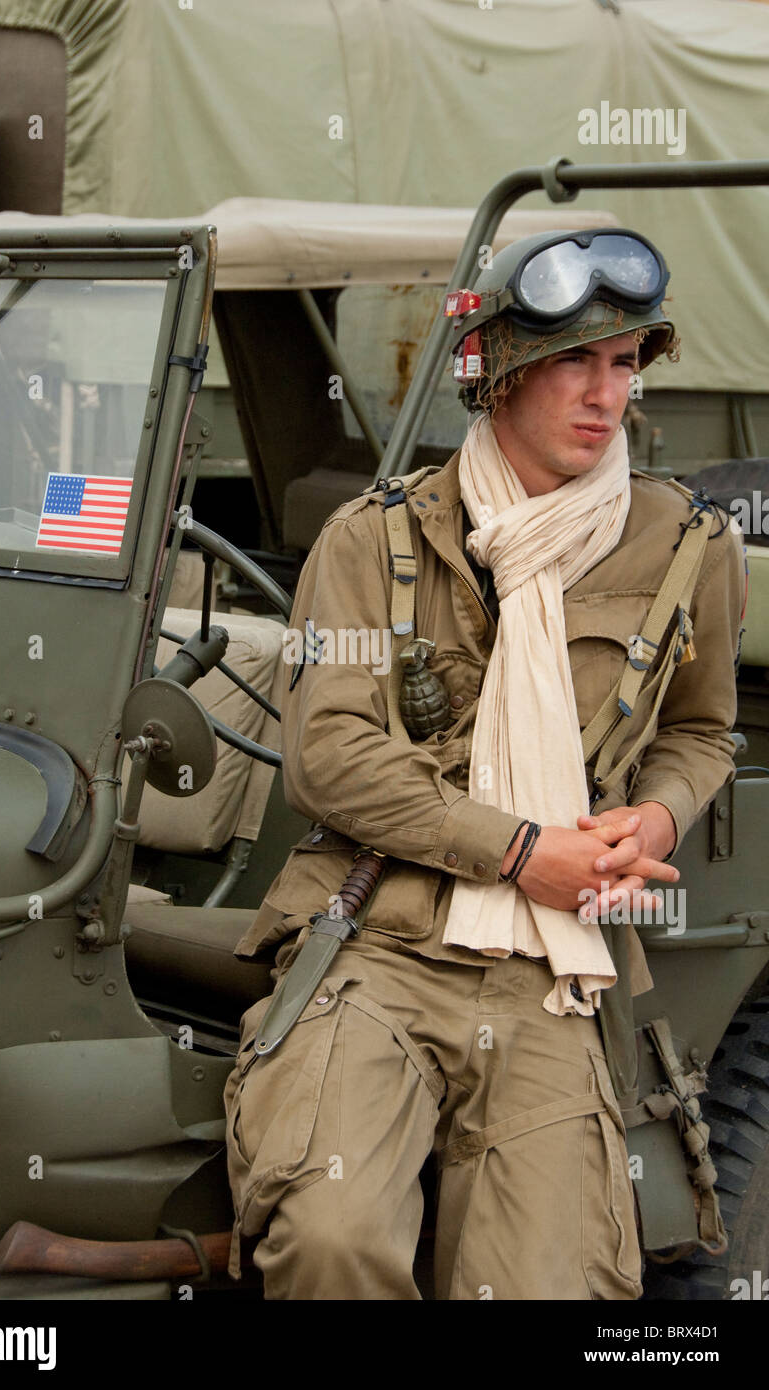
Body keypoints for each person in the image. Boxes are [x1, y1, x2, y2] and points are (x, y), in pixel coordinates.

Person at [223, 227, 747, 1300]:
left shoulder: (686, 545)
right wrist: (518, 851)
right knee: (330, 1235)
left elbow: (702, 732)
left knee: (550, 1284)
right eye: (573, 362)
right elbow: (327, 756)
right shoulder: (374, 541)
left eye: (625, 362)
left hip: (551, 975)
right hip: (378, 944)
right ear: (500, 370)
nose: (606, 394)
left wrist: (656, 817)